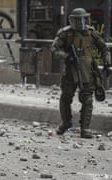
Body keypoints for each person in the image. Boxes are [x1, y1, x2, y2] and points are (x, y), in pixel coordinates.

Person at [51, 8, 111, 138]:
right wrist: (66, 56)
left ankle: (85, 128)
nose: (81, 23)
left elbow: (104, 48)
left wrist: (107, 62)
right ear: (72, 21)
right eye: (78, 20)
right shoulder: (65, 33)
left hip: (87, 71)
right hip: (70, 71)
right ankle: (66, 123)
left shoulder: (91, 33)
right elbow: (54, 49)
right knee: (66, 97)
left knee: (88, 99)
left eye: (83, 20)